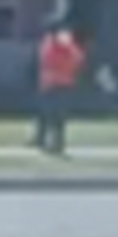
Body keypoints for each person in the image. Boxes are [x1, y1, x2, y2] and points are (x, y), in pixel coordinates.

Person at [34, 19, 85, 154]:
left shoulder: (60, 43)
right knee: (48, 113)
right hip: (54, 82)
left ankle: (55, 142)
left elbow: (76, 58)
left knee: (55, 114)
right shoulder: (51, 42)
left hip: (58, 83)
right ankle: (44, 139)